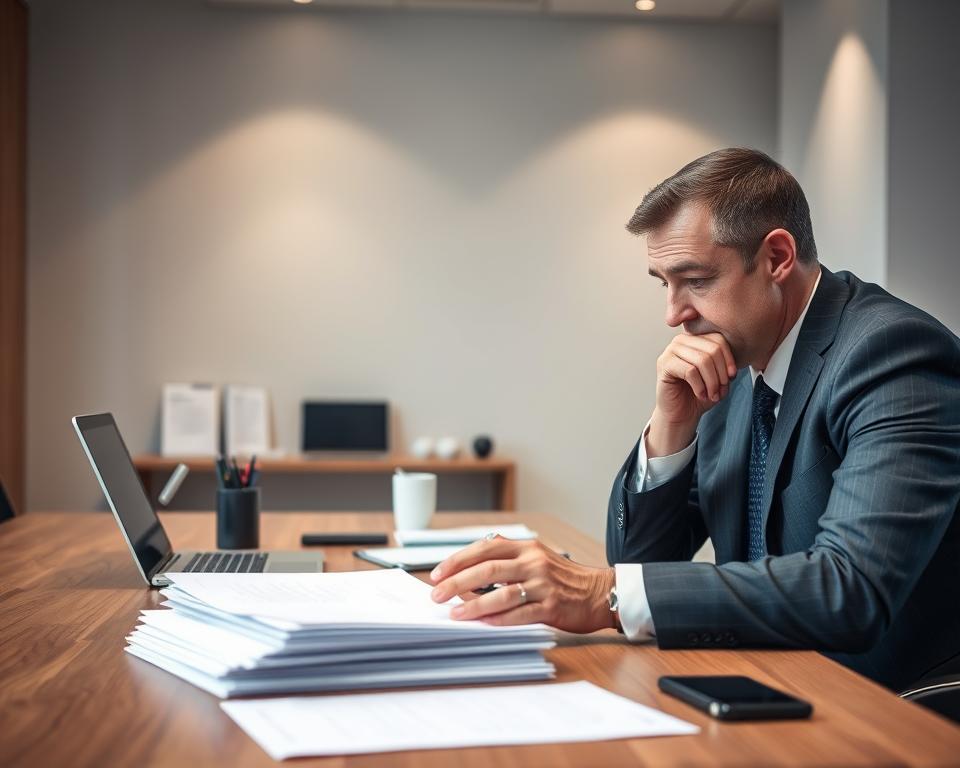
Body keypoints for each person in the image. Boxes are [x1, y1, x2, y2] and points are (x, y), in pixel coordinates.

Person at [429, 148, 960, 691]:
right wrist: (670, 426)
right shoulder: (732, 359)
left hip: (882, 700)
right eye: (663, 282)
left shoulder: (892, 354)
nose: (673, 314)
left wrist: (600, 595)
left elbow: (850, 591)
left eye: (696, 280)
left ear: (777, 256)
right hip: (762, 678)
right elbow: (640, 562)